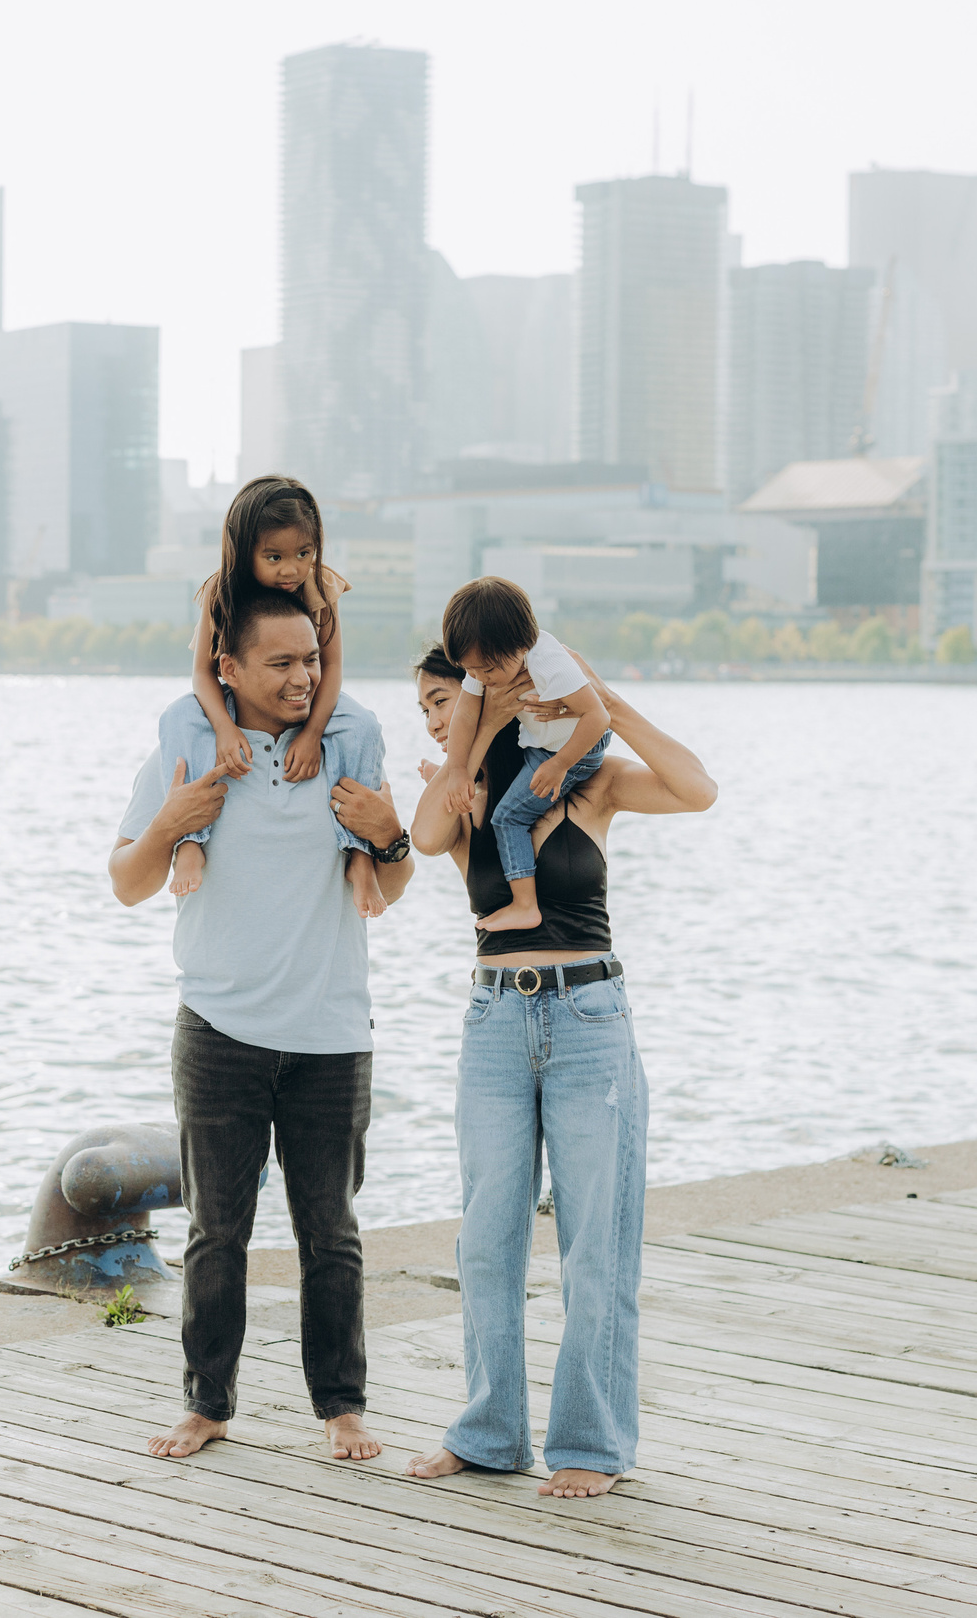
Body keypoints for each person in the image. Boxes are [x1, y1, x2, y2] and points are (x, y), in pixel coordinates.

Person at [402, 633, 716, 1500]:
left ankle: (590, 1442)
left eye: (445, 698)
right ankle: (488, 1431)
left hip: (588, 1017)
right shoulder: (459, 789)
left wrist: (597, 698)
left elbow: (698, 788)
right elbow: (427, 836)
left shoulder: (589, 781)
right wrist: (466, 735)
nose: (436, 719)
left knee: (596, 1244)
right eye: (429, 706)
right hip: (495, 1020)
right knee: (487, 1238)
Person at [110, 587, 416, 1463]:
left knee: (332, 1232)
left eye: (310, 660)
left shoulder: (347, 742)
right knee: (218, 1229)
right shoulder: (192, 750)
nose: (301, 677)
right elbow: (129, 883)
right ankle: (207, 1403)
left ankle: (343, 1406)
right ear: (228, 667)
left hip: (330, 1031)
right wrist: (172, 823)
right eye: (280, 663)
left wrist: (391, 838)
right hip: (219, 1027)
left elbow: (386, 889)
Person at [159, 476, 381, 917]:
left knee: (362, 725)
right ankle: (189, 841)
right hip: (238, 696)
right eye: (274, 557)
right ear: (244, 553)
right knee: (180, 718)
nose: (291, 570)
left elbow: (331, 667)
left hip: (311, 702)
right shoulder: (220, 593)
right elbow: (202, 674)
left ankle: (359, 855)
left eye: (304, 554)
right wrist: (223, 727)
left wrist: (313, 733)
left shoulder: (320, 588)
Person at [427, 577, 612, 935]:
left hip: (578, 748)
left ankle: (525, 905)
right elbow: (466, 713)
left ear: (520, 646)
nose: (480, 678)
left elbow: (599, 718)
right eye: (471, 670)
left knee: (507, 818)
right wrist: (456, 772)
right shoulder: (488, 661)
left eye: (487, 670)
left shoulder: (549, 663)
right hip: (544, 745)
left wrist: (560, 765)